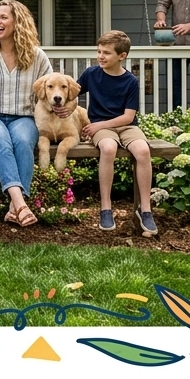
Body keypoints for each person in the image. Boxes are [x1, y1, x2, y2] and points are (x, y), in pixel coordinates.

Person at [0, 0, 53, 227]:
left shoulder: (37, 56)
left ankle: (14, 209)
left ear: (18, 22)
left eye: (3, 17)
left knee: (23, 141)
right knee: (0, 139)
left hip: (23, 116)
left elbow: (51, 87)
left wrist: (63, 108)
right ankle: (21, 204)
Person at [75, 30, 156, 236]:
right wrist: (66, 109)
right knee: (109, 148)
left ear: (122, 56)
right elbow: (70, 92)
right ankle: (106, 208)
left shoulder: (131, 81)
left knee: (143, 150)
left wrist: (98, 126)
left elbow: (128, 117)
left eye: (107, 53)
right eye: (99, 51)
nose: (101, 56)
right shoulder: (91, 74)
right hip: (102, 128)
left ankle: (145, 210)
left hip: (125, 125)